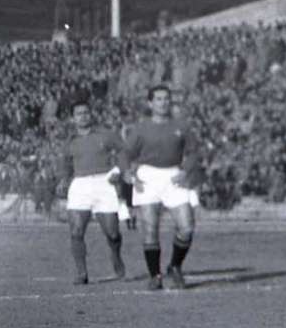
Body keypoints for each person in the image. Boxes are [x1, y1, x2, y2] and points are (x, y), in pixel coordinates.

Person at [123, 84, 199, 291]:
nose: (163, 102)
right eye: (158, 99)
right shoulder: (141, 128)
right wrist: (127, 172)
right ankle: (155, 275)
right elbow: (125, 153)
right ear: (150, 103)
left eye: (166, 98)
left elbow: (194, 152)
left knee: (187, 227)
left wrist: (186, 170)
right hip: (148, 176)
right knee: (150, 228)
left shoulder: (181, 126)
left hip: (174, 175)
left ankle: (175, 266)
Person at [60, 101, 127, 284]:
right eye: (79, 113)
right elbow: (65, 164)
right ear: (73, 118)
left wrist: (118, 171)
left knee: (112, 233)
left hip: (103, 183)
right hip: (80, 185)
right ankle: (82, 273)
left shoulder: (105, 134)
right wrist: (63, 180)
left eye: (86, 112)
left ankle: (117, 259)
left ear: (91, 114)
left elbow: (124, 151)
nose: (83, 116)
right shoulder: (70, 141)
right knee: (76, 231)